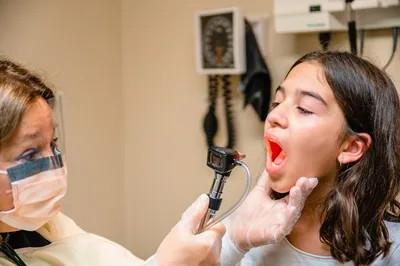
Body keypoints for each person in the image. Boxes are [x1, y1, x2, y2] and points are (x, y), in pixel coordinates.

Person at [220, 51, 400, 265]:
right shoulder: (243, 232)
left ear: (351, 147)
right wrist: (233, 245)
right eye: (277, 103)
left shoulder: (392, 251)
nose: (274, 117)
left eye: (304, 109)